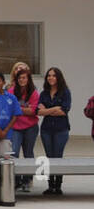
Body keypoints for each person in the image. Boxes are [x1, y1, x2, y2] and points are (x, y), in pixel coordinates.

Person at [36, 67, 71, 196]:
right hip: (46, 130)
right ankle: (50, 186)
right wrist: (54, 108)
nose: (51, 78)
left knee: (58, 157)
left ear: (59, 78)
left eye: (54, 75)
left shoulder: (65, 92)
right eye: (49, 75)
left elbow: (64, 111)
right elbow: (39, 112)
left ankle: (58, 186)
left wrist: (47, 110)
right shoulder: (44, 93)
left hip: (61, 129)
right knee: (48, 158)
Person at [7, 66, 39, 192]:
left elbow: (32, 111)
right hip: (15, 127)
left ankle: (27, 180)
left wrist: (18, 109)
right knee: (14, 153)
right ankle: (15, 180)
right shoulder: (11, 91)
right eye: (19, 78)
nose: (22, 80)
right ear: (16, 79)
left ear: (28, 79)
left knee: (28, 153)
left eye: (24, 77)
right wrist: (25, 110)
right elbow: (10, 109)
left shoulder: (33, 92)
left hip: (30, 127)